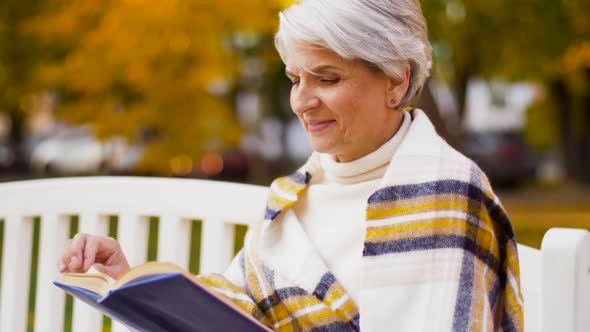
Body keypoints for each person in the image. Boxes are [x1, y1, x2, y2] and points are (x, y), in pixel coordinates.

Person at [58, 0, 524, 330]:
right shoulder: (291, 197)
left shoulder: (448, 195)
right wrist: (127, 279)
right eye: (295, 78)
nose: (302, 101)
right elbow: (242, 307)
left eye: (328, 77)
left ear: (396, 81)